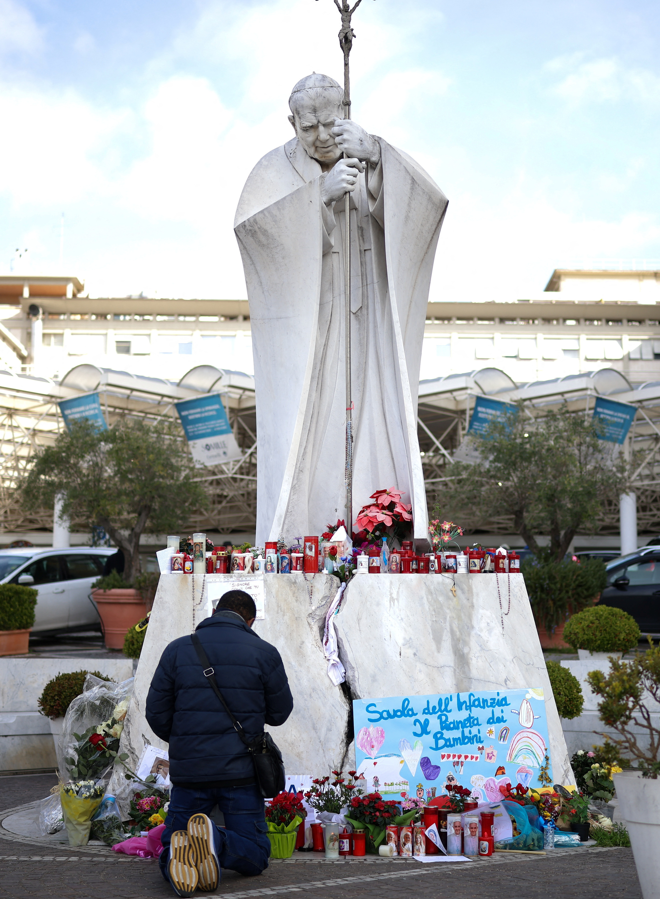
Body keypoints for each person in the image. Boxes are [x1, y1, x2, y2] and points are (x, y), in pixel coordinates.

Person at [235, 73, 447, 543]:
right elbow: (254, 236)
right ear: (291, 123)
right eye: (307, 127)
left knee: (374, 412)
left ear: (345, 113)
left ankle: (377, 526)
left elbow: (429, 206)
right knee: (312, 426)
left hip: (368, 319)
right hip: (309, 325)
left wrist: (378, 160)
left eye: (329, 124)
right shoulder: (271, 171)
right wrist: (318, 198)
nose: (320, 136)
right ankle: (307, 533)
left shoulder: (369, 153)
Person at [145, 590, 293, 896]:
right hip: (241, 773)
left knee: (173, 844)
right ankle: (216, 841)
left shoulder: (176, 650)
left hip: (190, 774)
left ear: (213, 613)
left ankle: (182, 853)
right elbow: (279, 714)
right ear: (250, 621)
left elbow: (156, 713)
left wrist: (185, 741)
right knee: (256, 853)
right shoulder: (264, 652)